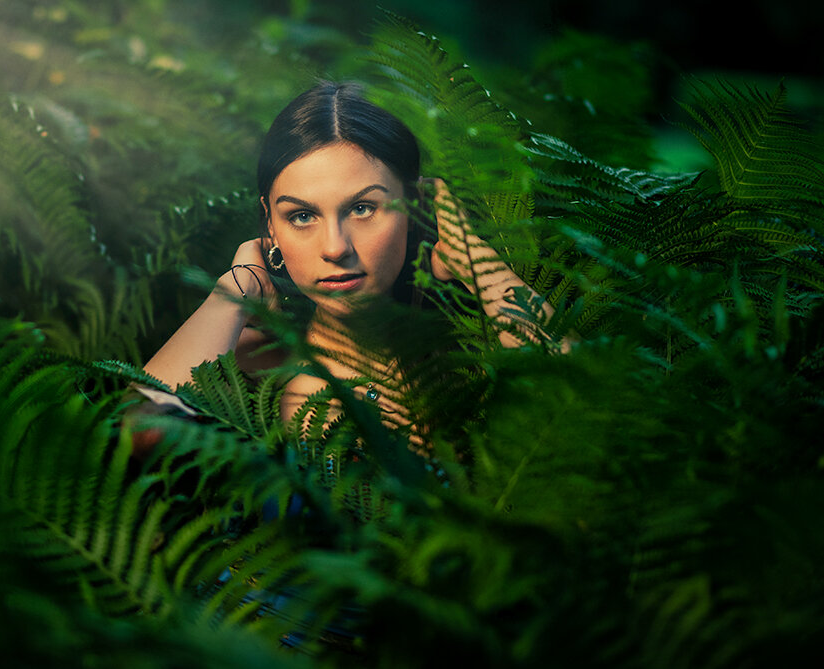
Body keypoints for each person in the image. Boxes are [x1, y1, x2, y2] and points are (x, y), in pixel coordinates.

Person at [135, 81, 567, 446]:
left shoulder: (473, 348)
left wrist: (474, 261)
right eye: (301, 216)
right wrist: (235, 289)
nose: (335, 247)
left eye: (362, 209)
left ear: (417, 206)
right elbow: (138, 434)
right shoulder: (255, 367)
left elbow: (592, 397)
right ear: (270, 223)